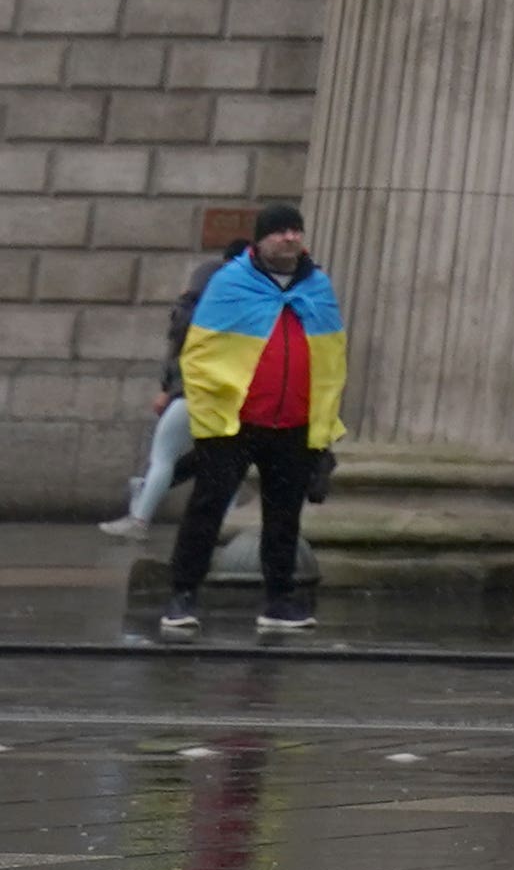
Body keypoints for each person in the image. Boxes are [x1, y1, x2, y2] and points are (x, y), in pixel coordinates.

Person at [156, 204, 340, 640]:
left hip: (293, 423)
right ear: (260, 240)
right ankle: (182, 595)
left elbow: (332, 360)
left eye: (295, 230)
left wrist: (324, 426)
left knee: (283, 517)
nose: (289, 238)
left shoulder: (318, 286)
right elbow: (198, 355)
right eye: (279, 231)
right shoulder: (230, 284)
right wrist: (210, 411)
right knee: (207, 510)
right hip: (234, 423)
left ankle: (279, 600)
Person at [104, 248, 230, 545]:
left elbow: (178, 355)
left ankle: (139, 518)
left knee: (163, 457)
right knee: (221, 463)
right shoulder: (236, 314)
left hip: (189, 395)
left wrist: (166, 390)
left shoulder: (193, 314)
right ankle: (226, 523)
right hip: (224, 399)